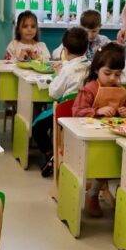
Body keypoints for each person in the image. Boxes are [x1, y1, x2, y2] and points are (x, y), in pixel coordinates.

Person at [73, 43, 126, 217]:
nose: (112, 78)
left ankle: (121, 194)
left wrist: (125, 113)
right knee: (104, 160)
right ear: (97, 69)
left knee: (124, 160)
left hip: (113, 137)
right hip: (90, 139)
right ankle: (92, 194)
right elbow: (76, 112)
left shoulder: (121, 91)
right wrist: (96, 111)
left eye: (117, 74)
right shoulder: (90, 89)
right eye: (108, 73)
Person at [32, 27, 90, 177]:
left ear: (65, 50)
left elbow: (54, 93)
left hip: (65, 112)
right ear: (86, 49)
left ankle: (50, 154)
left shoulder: (67, 70)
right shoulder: (90, 66)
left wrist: (57, 76)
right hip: (84, 112)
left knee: (37, 127)